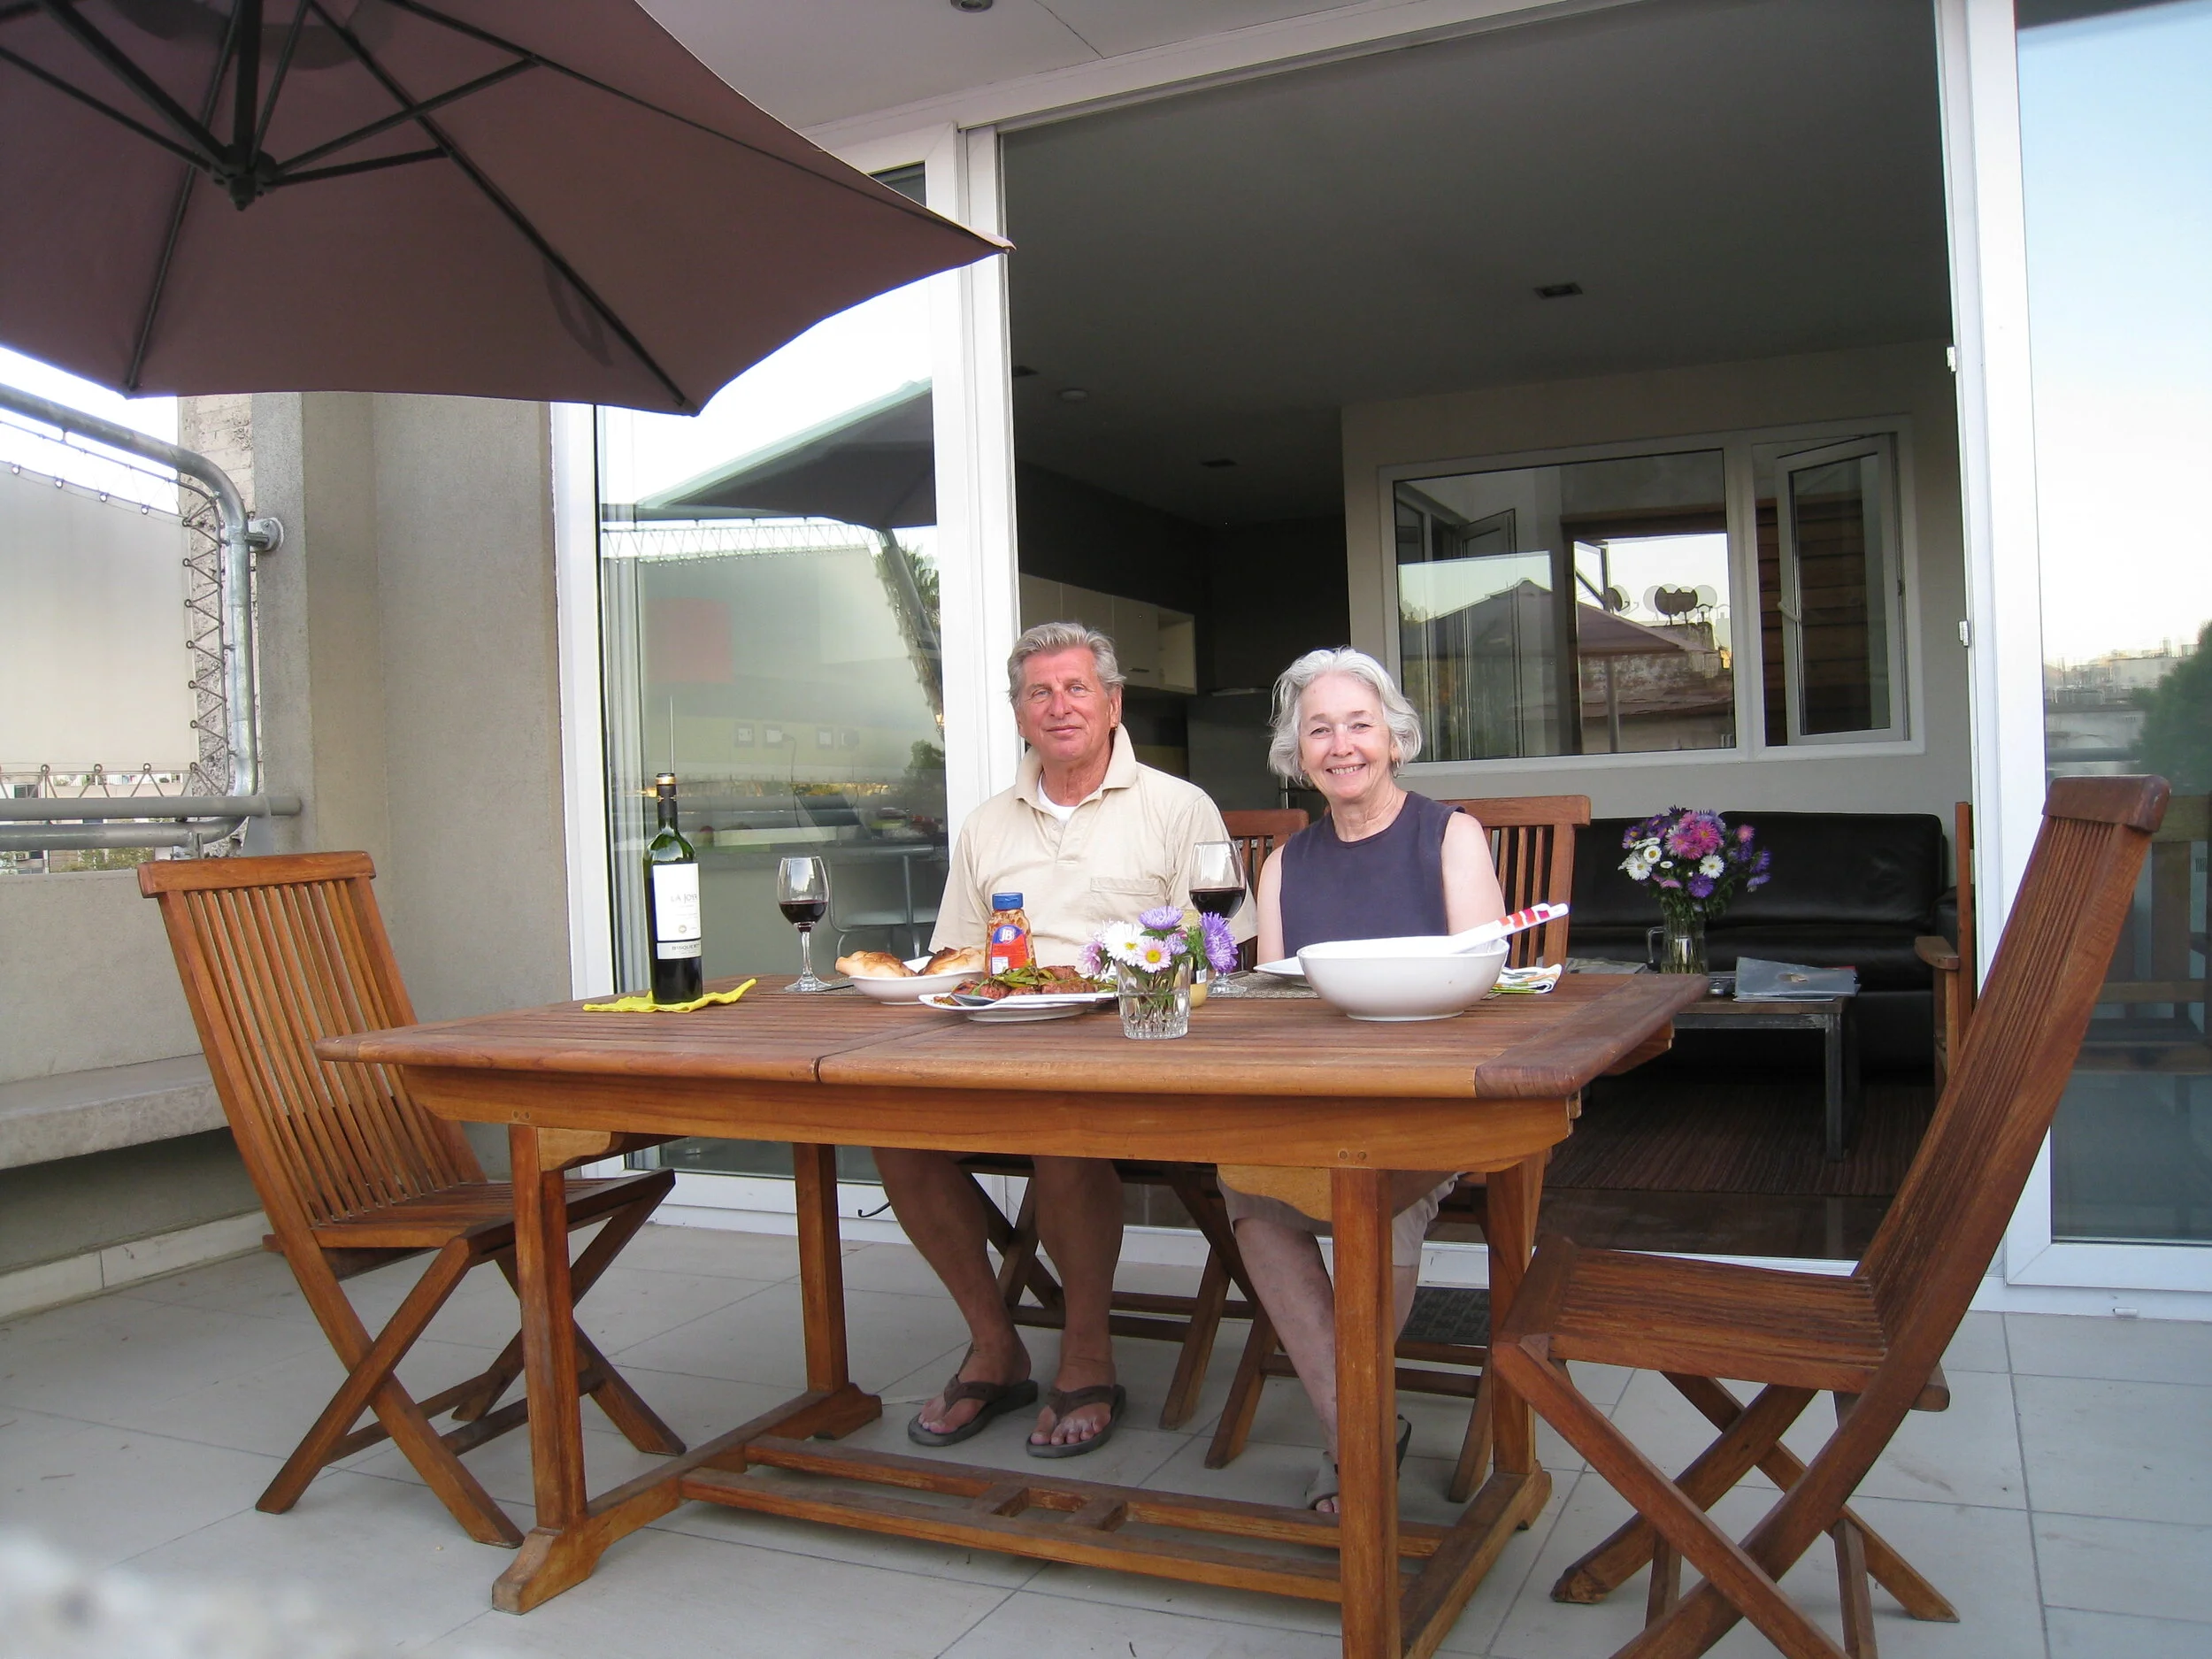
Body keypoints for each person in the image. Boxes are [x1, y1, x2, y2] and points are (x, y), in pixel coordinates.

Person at [873, 621, 1253, 1455]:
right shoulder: (984, 826)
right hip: (997, 1042)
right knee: (892, 1132)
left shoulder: (1177, 806)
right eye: (1039, 692)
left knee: (1062, 1128)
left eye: (1077, 687)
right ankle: (995, 1342)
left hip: (1129, 1047)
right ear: (1019, 714)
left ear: (1113, 704)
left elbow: (1217, 949)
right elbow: (959, 958)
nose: (1060, 706)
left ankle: (1087, 1352)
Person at [1224, 646, 1507, 1510]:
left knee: (1370, 1197)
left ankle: (1353, 1454)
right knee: (1251, 1196)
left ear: (1392, 738)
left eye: (1358, 724)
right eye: (1319, 729)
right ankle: (1362, 1431)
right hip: (1318, 1103)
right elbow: (1275, 1010)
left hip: (1427, 1106)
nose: (1340, 745)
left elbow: (1487, 986)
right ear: (1296, 753)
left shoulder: (1449, 836)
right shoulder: (1285, 867)